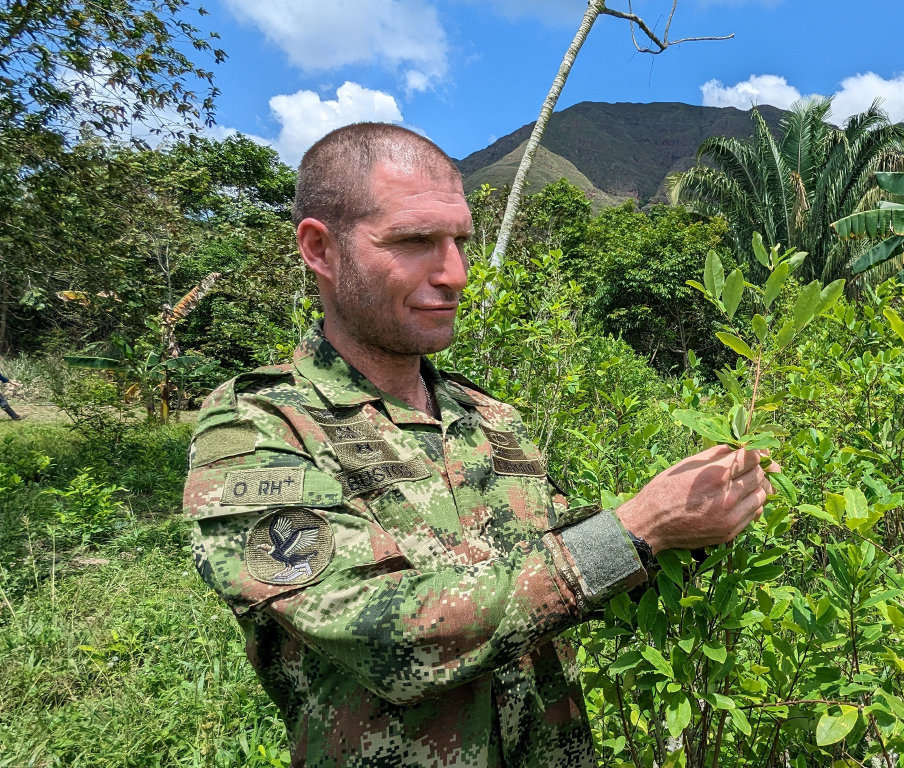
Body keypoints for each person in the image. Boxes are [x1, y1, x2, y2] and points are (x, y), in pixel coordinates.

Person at [183, 122, 778, 768]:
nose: (457, 274)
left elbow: (572, 565)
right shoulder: (259, 428)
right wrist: (637, 528)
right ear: (320, 250)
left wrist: (693, 526)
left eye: (461, 242)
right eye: (415, 242)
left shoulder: (490, 418)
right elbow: (381, 634)